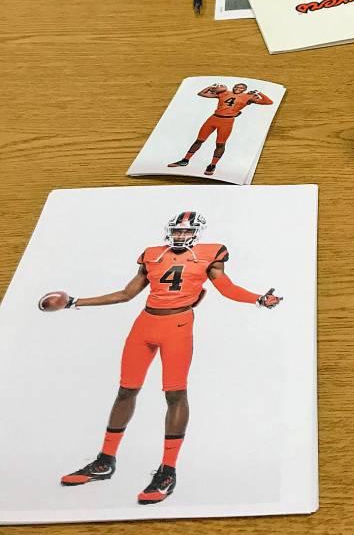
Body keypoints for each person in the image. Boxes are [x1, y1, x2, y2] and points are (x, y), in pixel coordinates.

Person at [43, 211, 281, 505]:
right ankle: (105, 461)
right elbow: (126, 294)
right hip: (144, 324)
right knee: (126, 390)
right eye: (177, 232)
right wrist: (75, 302)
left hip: (178, 326)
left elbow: (226, 288)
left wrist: (257, 297)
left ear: (197, 232)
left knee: (175, 394)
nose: (180, 236)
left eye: (186, 232)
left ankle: (167, 470)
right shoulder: (153, 255)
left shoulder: (210, 254)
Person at [167, 82, 273, 175]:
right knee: (199, 140)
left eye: (241, 87)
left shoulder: (248, 97)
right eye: (236, 86)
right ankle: (185, 160)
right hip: (213, 119)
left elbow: (269, 102)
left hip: (227, 122)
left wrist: (259, 92)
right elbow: (201, 94)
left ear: (245, 89)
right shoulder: (224, 92)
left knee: (220, 144)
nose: (238, 88)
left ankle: (212, 165)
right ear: (233, 87)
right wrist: (211, 86)